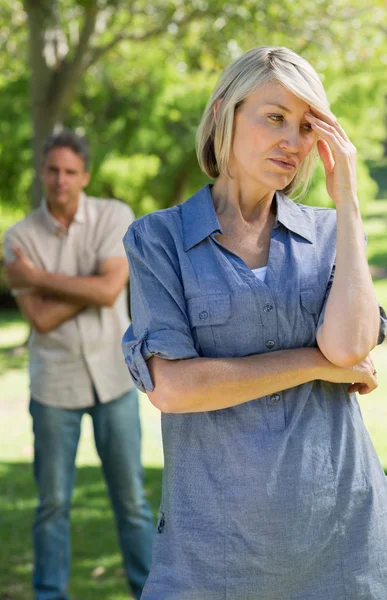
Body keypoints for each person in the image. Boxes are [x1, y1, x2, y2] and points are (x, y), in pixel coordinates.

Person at [121, 47, 387, 599]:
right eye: (274, 118)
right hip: (211, 560)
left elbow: (348, 347)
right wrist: (314, 365)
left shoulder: (329, 235)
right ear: (225, 113)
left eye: (305, 126)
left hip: (347, 547)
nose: (292, 142)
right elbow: (174, 389)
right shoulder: (159, 240)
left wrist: (347, 202)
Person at [3, 130, 153, 600]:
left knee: (131, 502)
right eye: (52, 170)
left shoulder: (115, 216)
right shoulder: (19, 237)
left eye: (70, 171)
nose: (60, 180)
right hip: (54, 387)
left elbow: (110, 293)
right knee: (52, 505)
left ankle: (150, 591)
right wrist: (90, 283)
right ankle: (50, 595)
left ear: (84, 175)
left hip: (114, 379)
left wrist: (39, 278)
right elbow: (42, 319)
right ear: (41, 173)